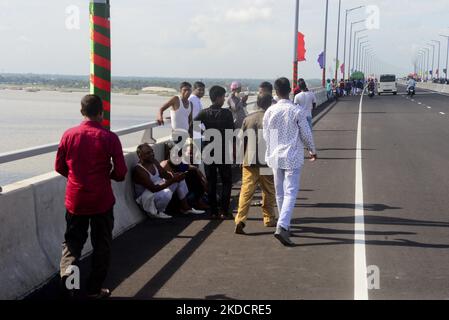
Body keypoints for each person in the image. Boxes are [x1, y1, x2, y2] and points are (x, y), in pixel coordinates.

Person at [55, 94, 127, 299]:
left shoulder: (69, 135)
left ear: (81, 112)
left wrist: (76, 178)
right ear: (101, 113)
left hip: (76, 200)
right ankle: (94, 290)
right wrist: (108, 174)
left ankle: (70, 289)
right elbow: (121, 173)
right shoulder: (109, 137)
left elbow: (59, 166)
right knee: (101, 245)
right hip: (101, 200)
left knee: (72, 245)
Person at [263, 78, 317, 246]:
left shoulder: (270, 111)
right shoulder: (296, 111)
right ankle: (283, 226)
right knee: (290, 192)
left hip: (274, 155)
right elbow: (306, 133)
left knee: (279, 192)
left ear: (276, 91)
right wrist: (312, 150)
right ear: (290, 91)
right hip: (292, 155)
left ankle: (284, 224)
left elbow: (266, 135)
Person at [234, 93, 277, 235]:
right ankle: (269, 218)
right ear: (270, 103)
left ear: (257, 103)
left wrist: (241, 158)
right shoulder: (273, 119)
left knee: (246, 191)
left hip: (250, 160)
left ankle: (240, 219)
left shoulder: (248, 119)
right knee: (269, 191)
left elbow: (241, 141)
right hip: (266, 161)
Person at [133, 143, 204, 219]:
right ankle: (155, 213)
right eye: (148, 153)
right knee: (166, 193)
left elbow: (164, 174)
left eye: (152, 151)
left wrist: (175, 176)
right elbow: (153, 188)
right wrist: (172, 180)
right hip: (146, 198)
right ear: (140, 156)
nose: (152, 154)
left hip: (157, 190)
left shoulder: (153, 161)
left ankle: (185, 208)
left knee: (180, 179)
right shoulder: (139, 170)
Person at [195, 86, 234, 220]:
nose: (224, 99)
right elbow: (231, 134)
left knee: (211, 181)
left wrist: (204, 134)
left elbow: (192, 128)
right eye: (223, 97)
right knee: (226, 181)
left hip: (208, 149)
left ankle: (213, 211)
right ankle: (224, 210)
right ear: (218, 98)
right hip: (223, 150)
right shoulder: (227, 113)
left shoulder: (203, 113)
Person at [161, 141, 209, 211]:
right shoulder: (164, 165)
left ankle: (200, 201)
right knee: (189, 176)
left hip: (183, 195)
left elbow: (192, 168)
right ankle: (195, 203)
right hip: (170, 197)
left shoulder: (179, 163)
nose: (177, 156)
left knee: (193, 173)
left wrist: (201, 175)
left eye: (179, 153)